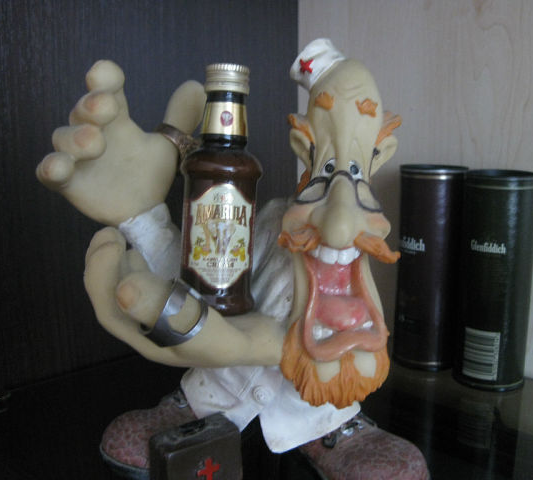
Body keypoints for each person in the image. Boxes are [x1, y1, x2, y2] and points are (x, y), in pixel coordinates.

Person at [37, 38, 429, 480]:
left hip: (319, 404)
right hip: (213, 390)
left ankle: (332, 426)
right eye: (326, 162)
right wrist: (142, 217)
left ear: (379, 153)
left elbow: (345, 345)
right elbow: (203, 274)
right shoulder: (269, 220)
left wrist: (239, 340)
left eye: (354, 167)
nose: (338, 223)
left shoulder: (354, 237)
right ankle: (195, 405)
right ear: (303, 145)